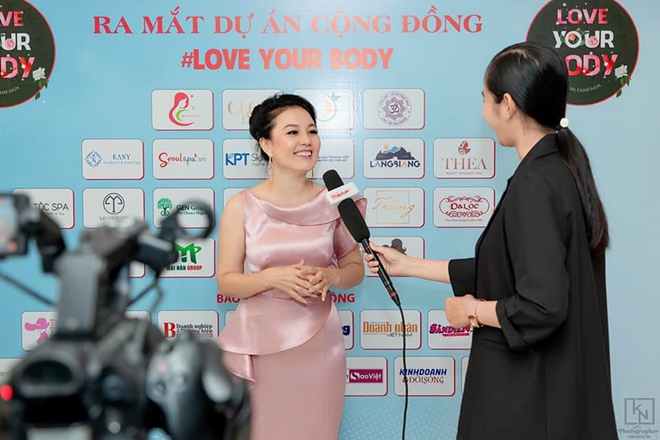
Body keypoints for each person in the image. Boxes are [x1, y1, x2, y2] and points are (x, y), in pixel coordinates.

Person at [364, 41, 617, 439]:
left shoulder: (536, 184)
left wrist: (472, 311)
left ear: (508, 104)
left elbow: (542, 305)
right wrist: (408, 265)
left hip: (528, 400)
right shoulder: (556, 170)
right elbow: (507, 269)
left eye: (485, 99)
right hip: (549, 393)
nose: (484, 110)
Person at [216, 93, 365, 440]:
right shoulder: (242, 205)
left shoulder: (337, 200)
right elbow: (226, 281)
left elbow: (354, 269)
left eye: (312, 131)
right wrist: (270, 278)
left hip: (318, 345)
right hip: (259, 343)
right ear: (266, 144)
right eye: (293, 132)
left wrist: (332, 275)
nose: (306, 141)